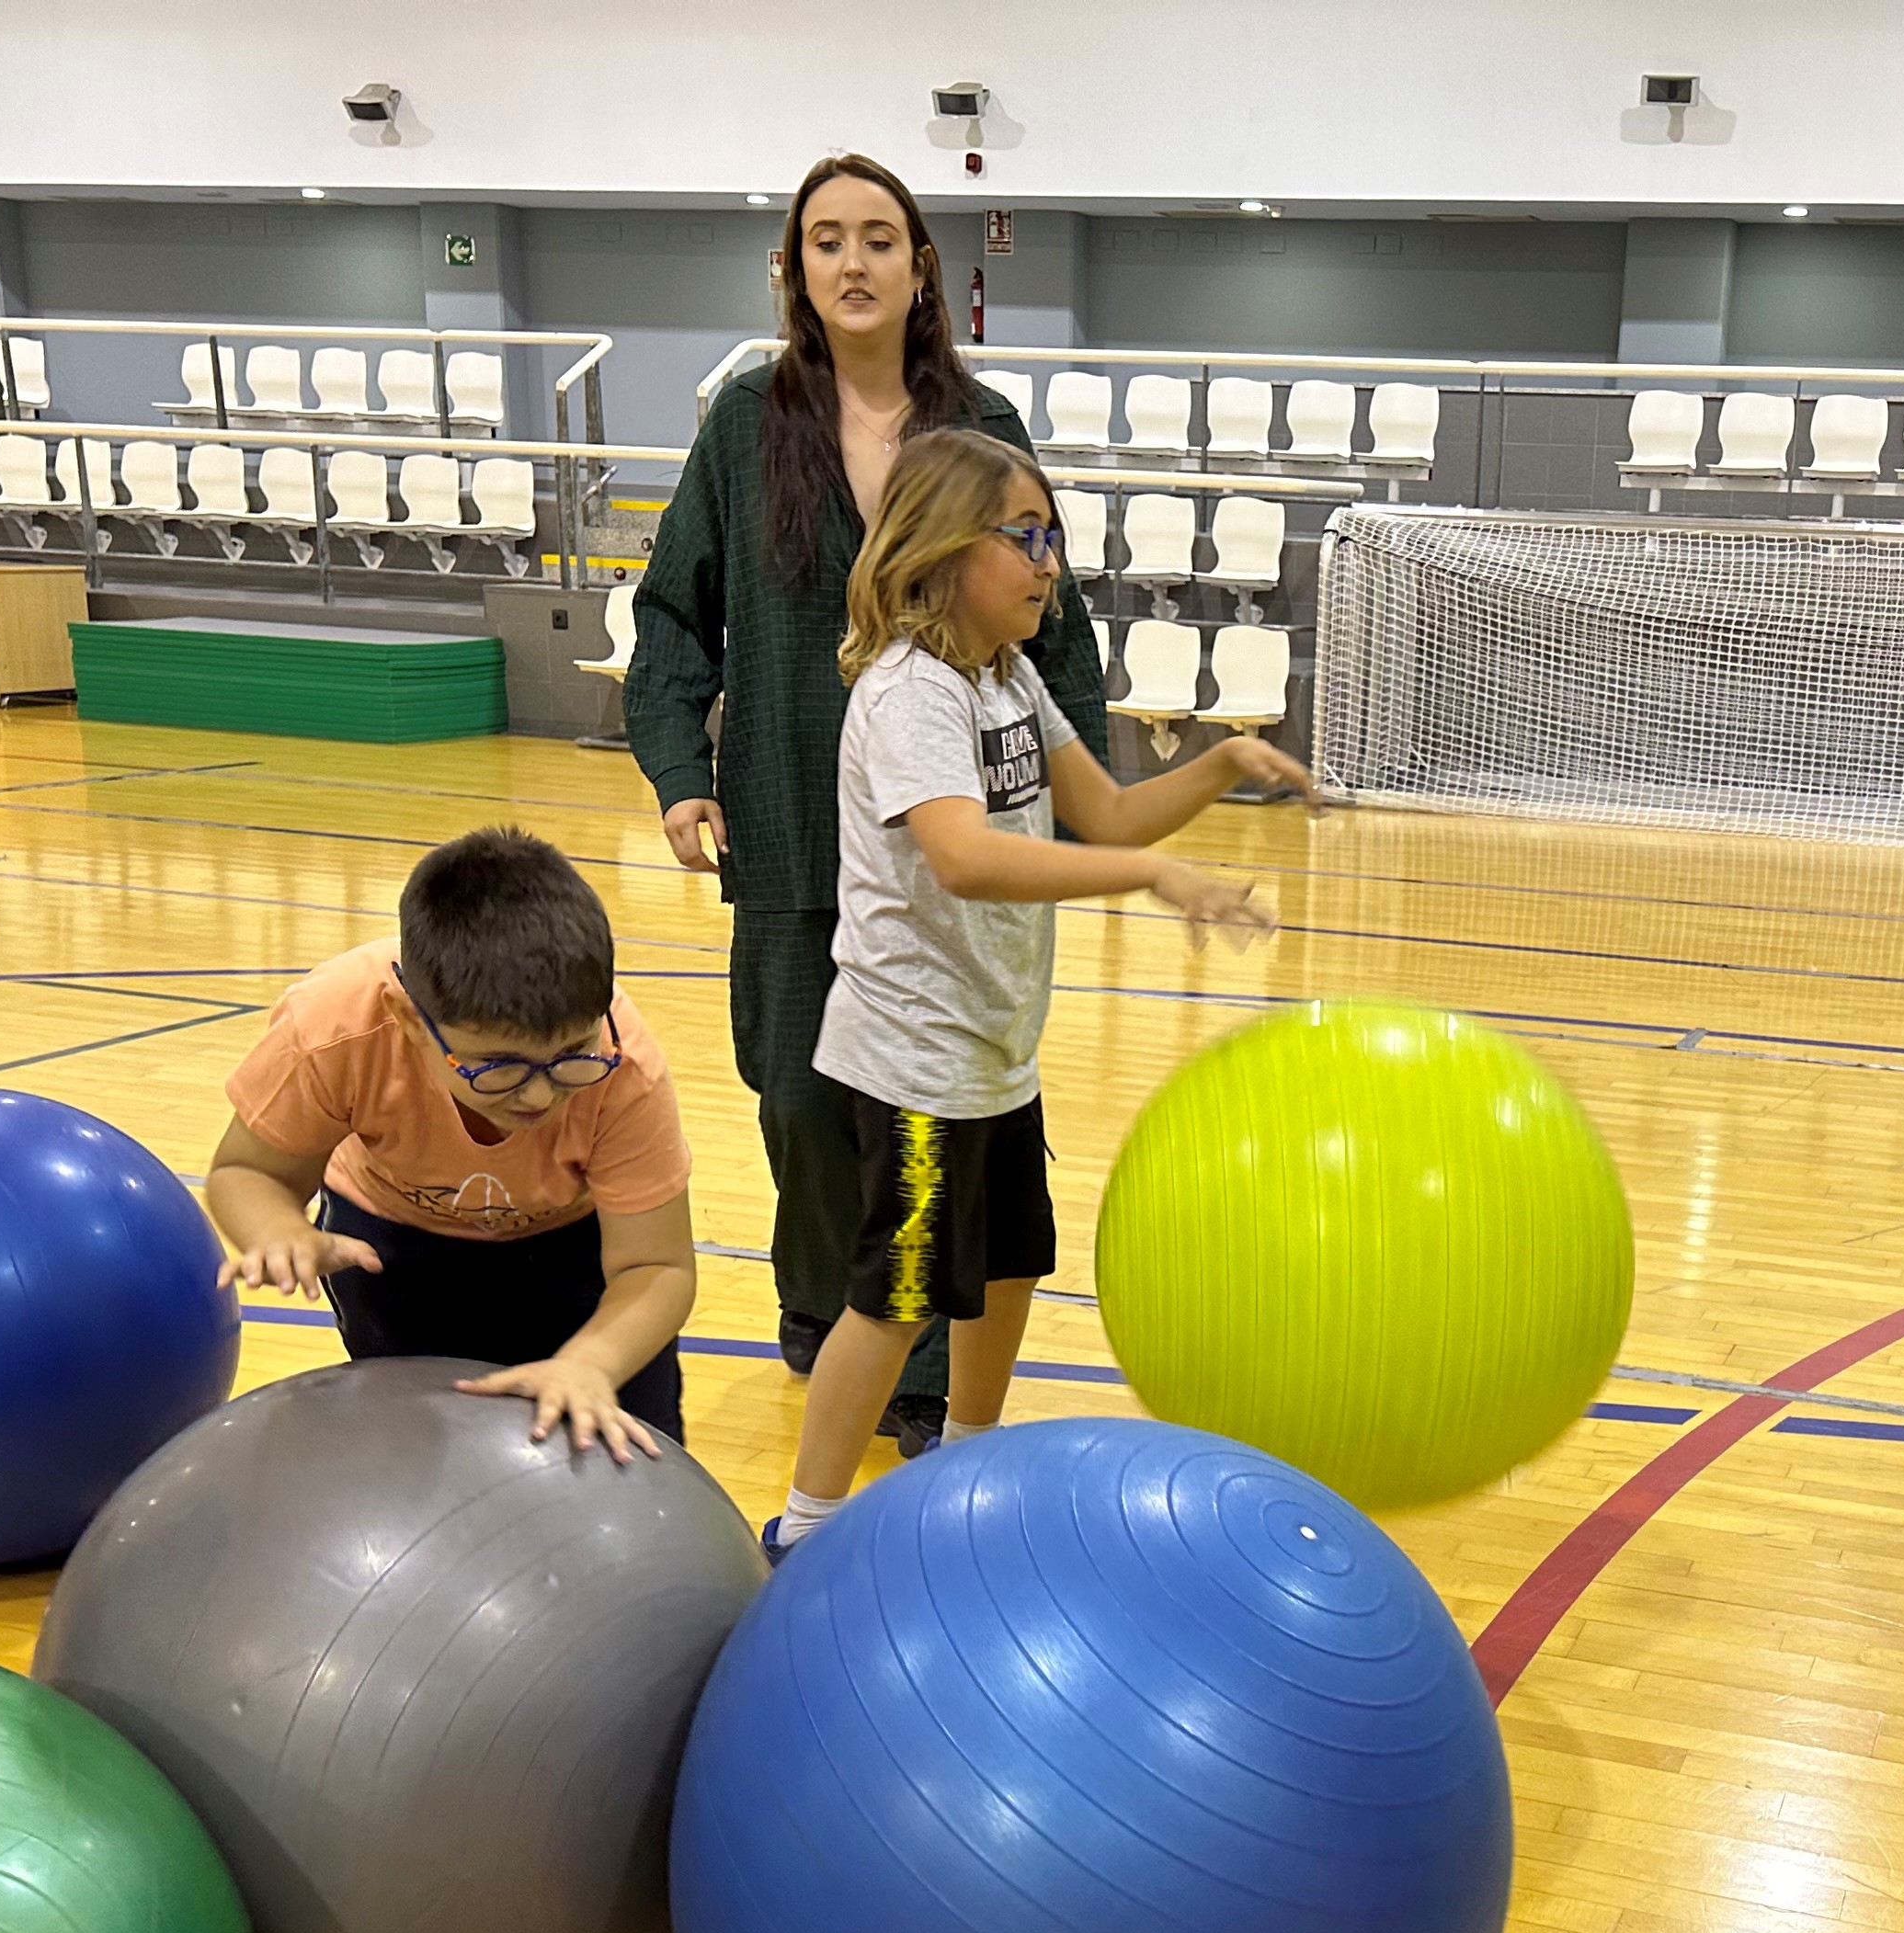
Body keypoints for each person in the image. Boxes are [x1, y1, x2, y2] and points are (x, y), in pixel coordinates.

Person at [626, 153, 1112, 1461]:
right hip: (789, 826)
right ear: (794, 268)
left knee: (953, 1121)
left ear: (920, 269)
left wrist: (1070, 816)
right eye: (826, 240)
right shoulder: (744, 426)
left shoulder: (986, 424)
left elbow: (1055, 622)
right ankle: (825, 1313)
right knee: (798, 1099)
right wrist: (679, 773)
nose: (853, 261)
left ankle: (931, 1373)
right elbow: (674, 610)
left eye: (880, 239)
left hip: (950, 851)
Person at [765, 429, 1304, 1557]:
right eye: (1025, 537)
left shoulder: (1008, 680)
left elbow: (1101, 814)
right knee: (896, 1294)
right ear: (942, 547)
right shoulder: (911, 694)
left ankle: (964, 1465)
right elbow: (966, 855)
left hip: (995, 1051)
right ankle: (807, 1525)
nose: (1050, 561)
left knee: (1007, 1267)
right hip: (913, 1055)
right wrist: (1157, 878)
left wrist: (1217, 766)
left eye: (1053, 537)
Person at [203, 825, 697, 1464]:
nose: (540, 1096)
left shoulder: (625, 1066)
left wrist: (592, 1362)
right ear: (409, 1020)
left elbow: (656, 1268)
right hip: (395, 1249)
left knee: (620, 1444)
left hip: (575, 1250)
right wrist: (277, 1231)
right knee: (424, 1458)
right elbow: (246, 1170)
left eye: (572, 1055)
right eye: (498, 1067)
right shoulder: (332, 1029)